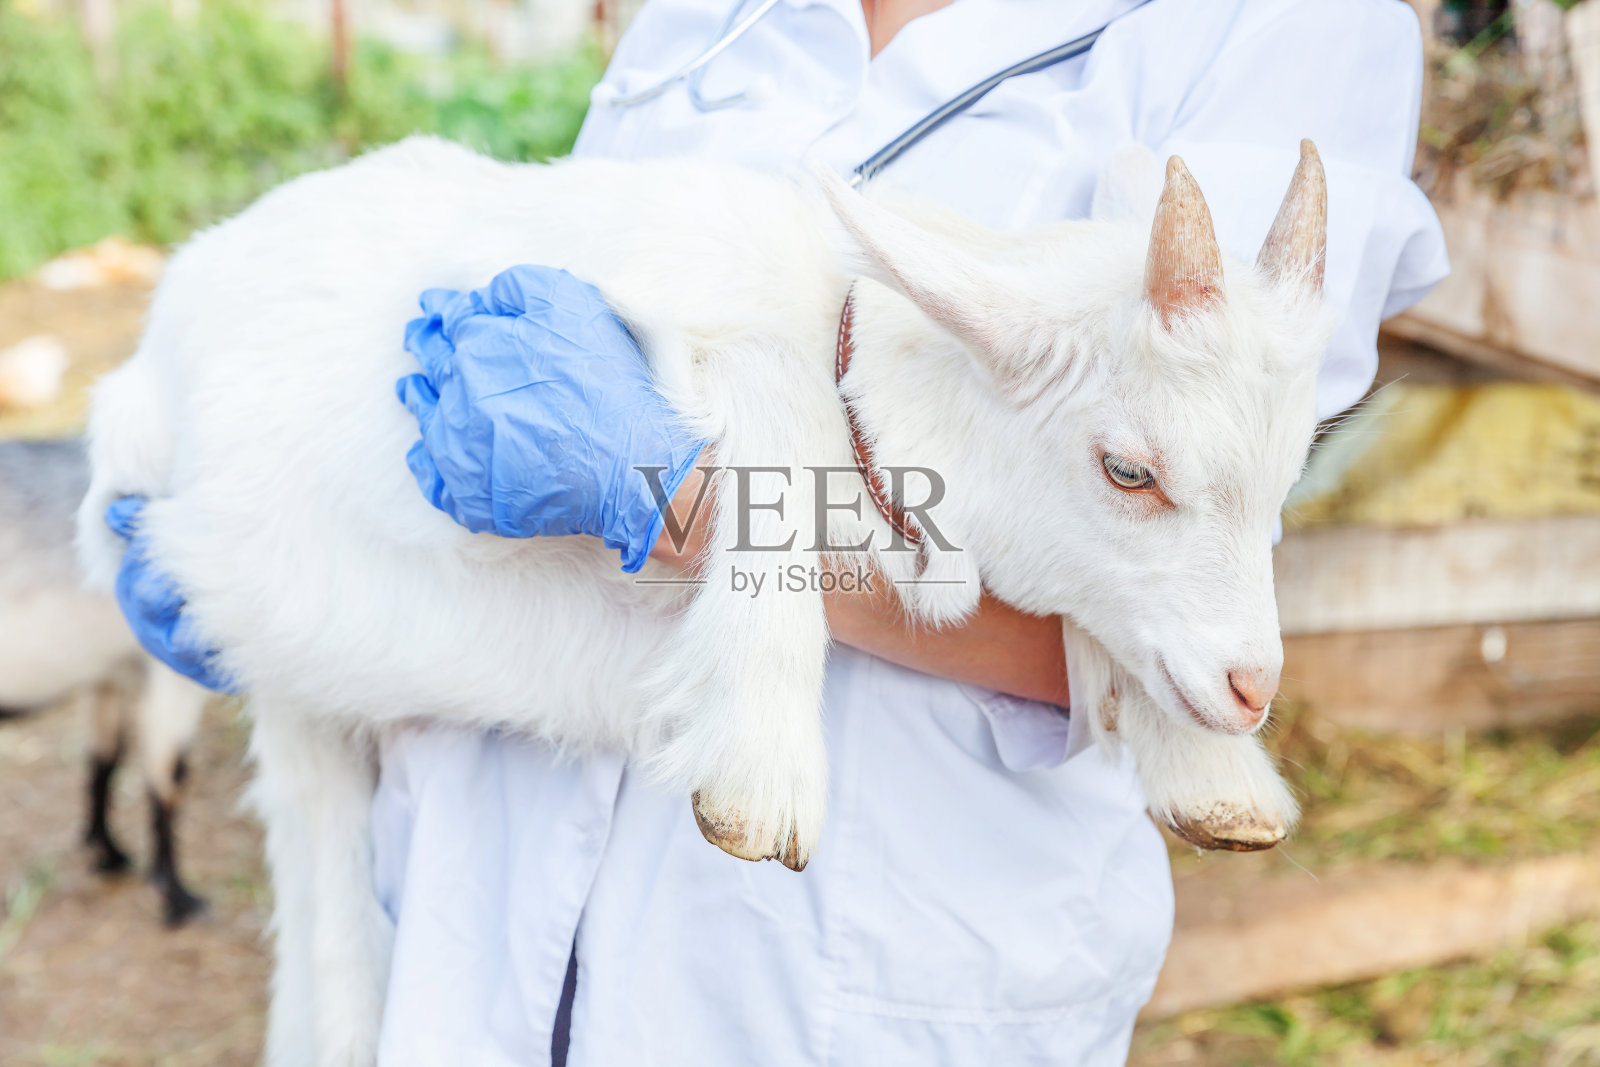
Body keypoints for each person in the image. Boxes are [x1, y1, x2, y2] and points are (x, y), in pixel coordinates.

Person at [110, 1, 1449, 1063]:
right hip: (487, 908)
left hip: (848, 963)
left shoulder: (1278, 29)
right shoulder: (708, 15)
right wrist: (295, 564)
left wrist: (695, 503)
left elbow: (1164, 589)